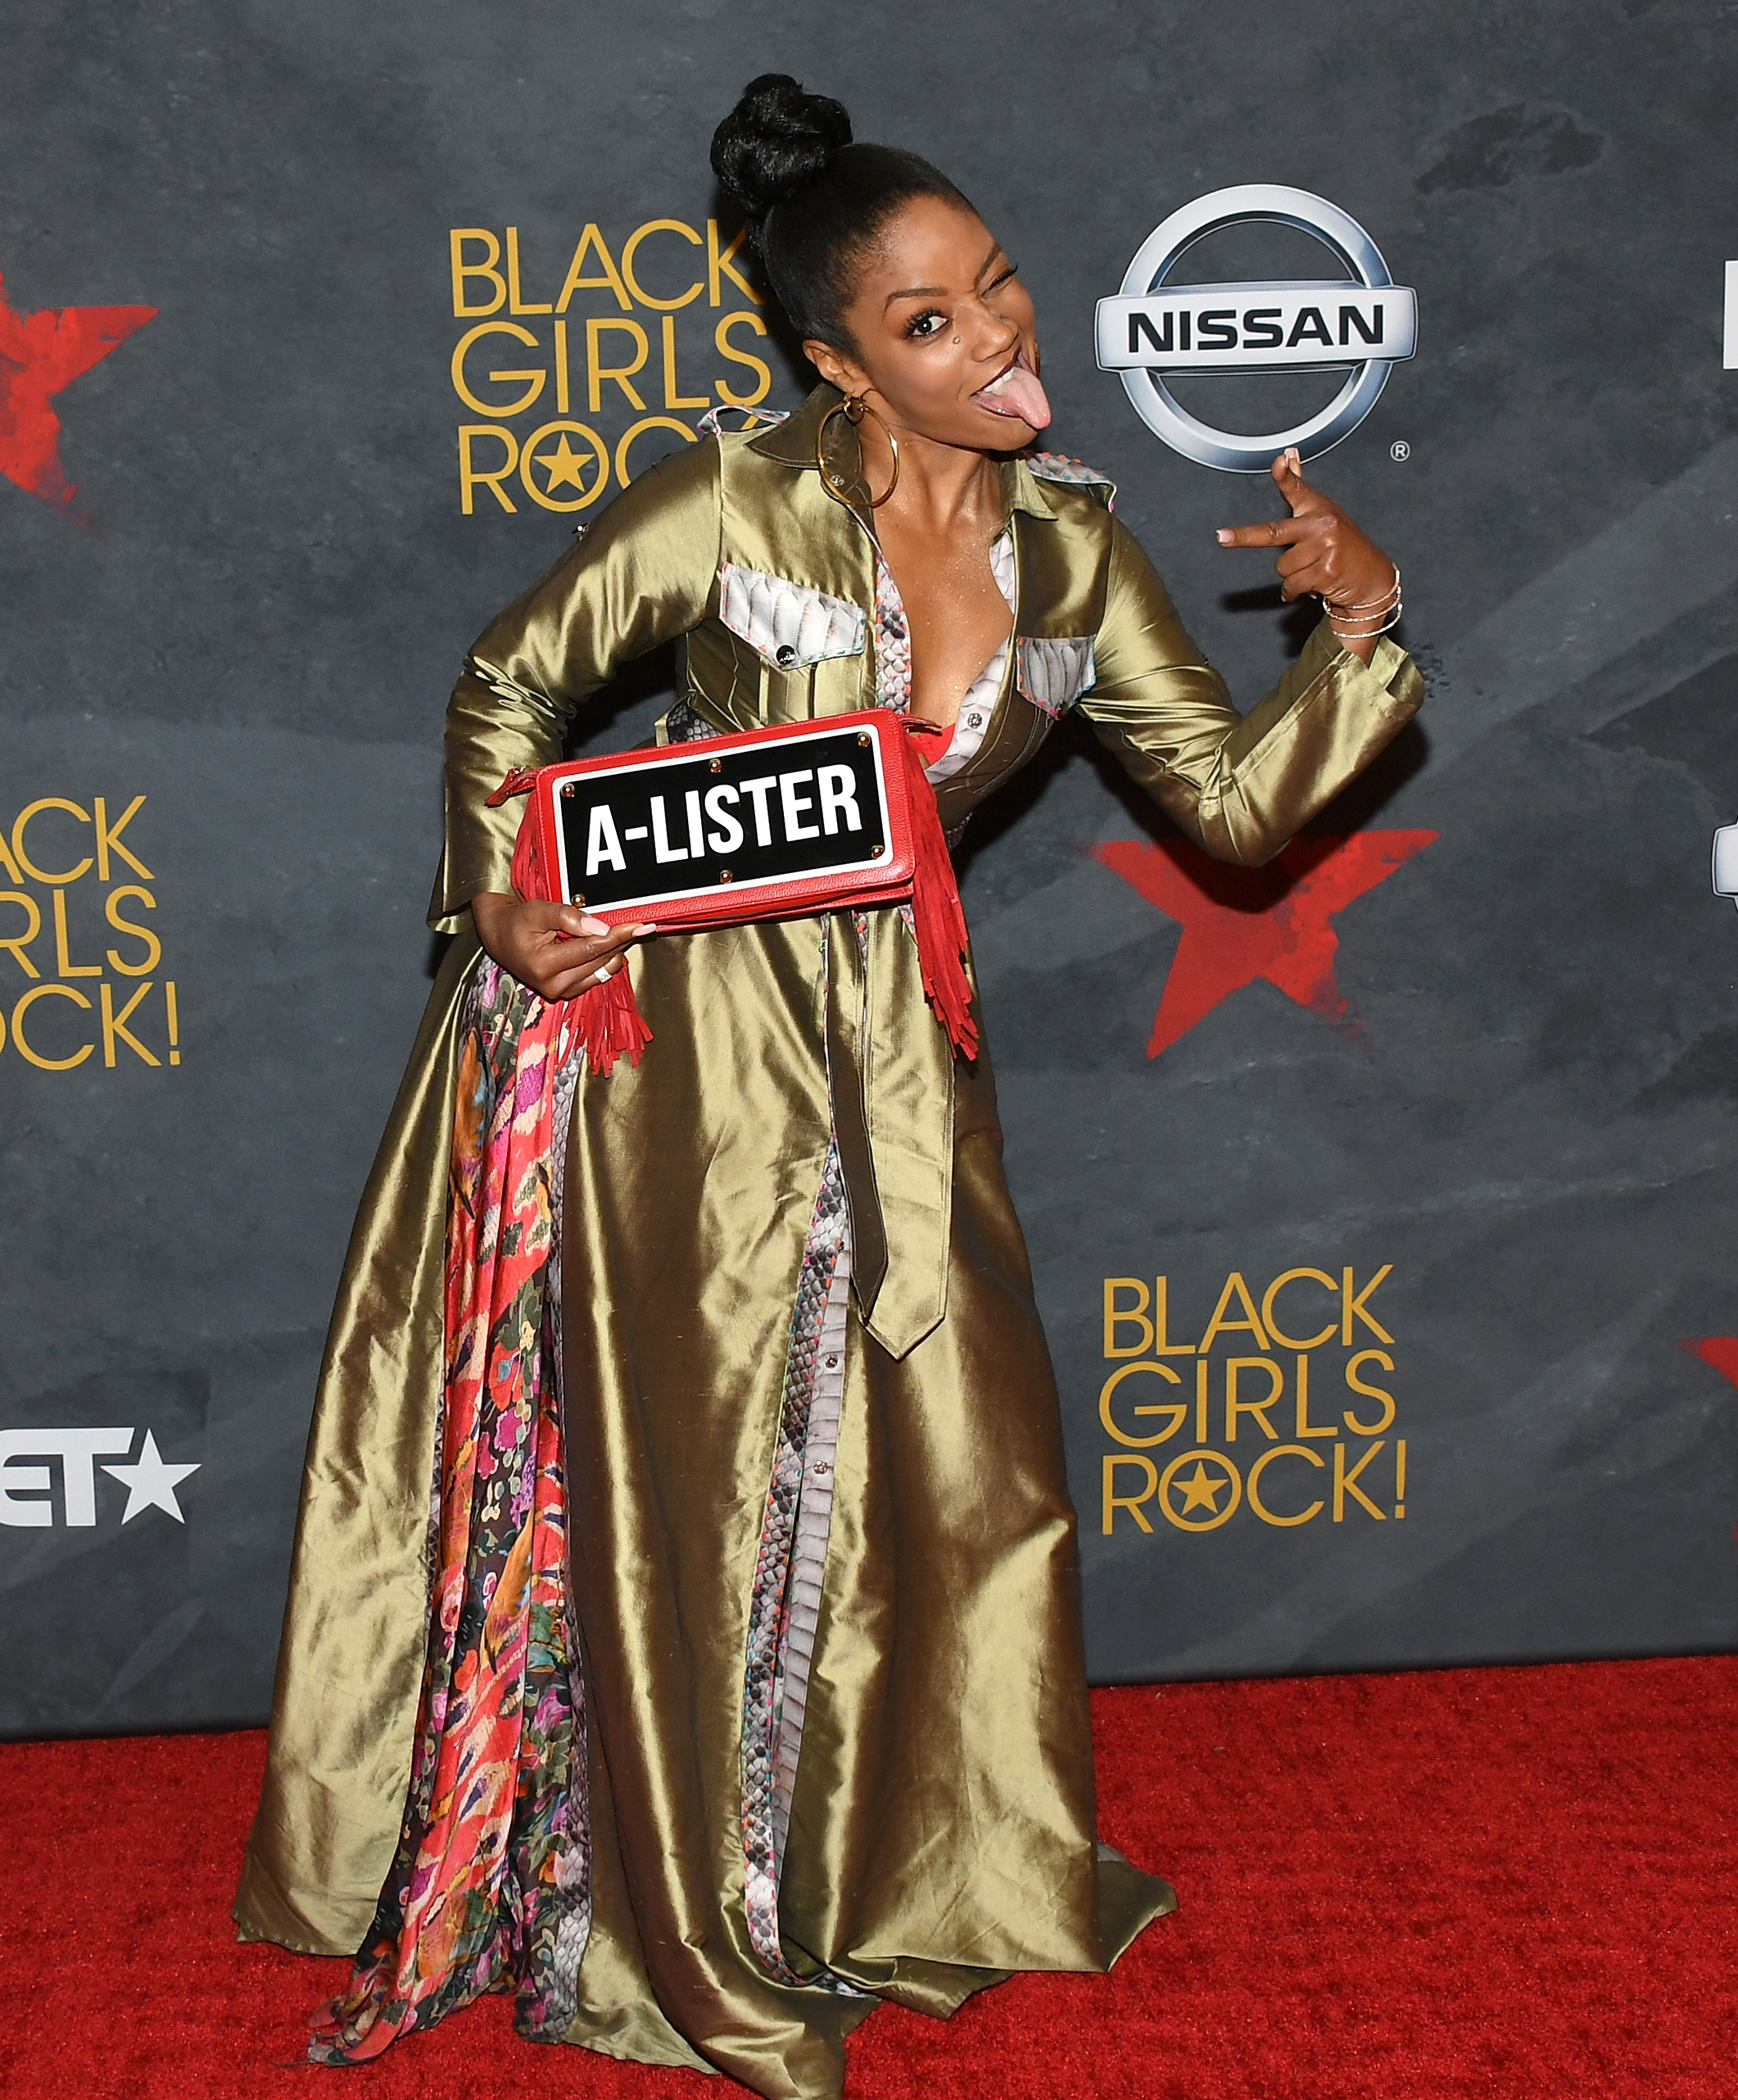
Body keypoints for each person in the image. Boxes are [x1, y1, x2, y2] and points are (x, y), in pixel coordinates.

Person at [233, 72, 1424, 2100]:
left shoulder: (1077, 558)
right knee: (692, 1486)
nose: (999, 338)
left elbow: (1233, 811)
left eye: (1006, 289)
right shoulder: (734, 503)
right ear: (837, 357)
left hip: (888, 1051)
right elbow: (509, 675)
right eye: (932, 319)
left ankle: (911, 1861)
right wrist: (505, 901)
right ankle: (671, 1917)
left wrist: (1366, 629)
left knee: (951, 1462)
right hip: (660, 1049)